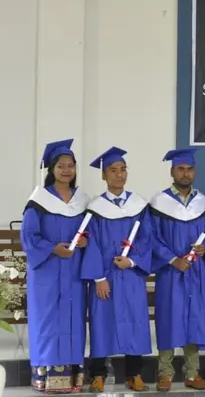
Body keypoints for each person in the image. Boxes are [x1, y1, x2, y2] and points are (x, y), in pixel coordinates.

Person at [20, 139, 90, 394]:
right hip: (47, 271)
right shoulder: (39, 201)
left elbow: (92, 233)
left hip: (73, 270)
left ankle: (71, 378)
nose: (66, 170)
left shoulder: (82, 201)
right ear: (51, 169)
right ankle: (46, 378)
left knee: (73, 319)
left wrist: (85, 241)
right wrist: (52, 248)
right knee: (48, 321)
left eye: (71, 165)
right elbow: (29, 237)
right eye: (61, 166)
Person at [148, 147, 205, 391]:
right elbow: (151, 238)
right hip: (170, 272)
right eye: (181, 169)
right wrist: (171, 259)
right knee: (168, 318)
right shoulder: (159, 203)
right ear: (172, 172)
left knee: (194, 319)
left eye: (189, 169)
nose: (185, 173)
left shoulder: (203, 203)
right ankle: (165, 374)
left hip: (195, 271)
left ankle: (192, 373)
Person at [81, 147, 152, 392]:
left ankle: (134, 374)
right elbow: (91, 244)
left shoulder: (139, 205)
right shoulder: (95, 208)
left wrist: (132, 262)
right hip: (105, 275)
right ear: (104, 175)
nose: (119, 175)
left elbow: (147, 239)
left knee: (135, 320)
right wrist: (98, 277)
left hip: (131, 274)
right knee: (101, 322)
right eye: (113, 170)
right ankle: (98, 374)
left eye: (123, 170)